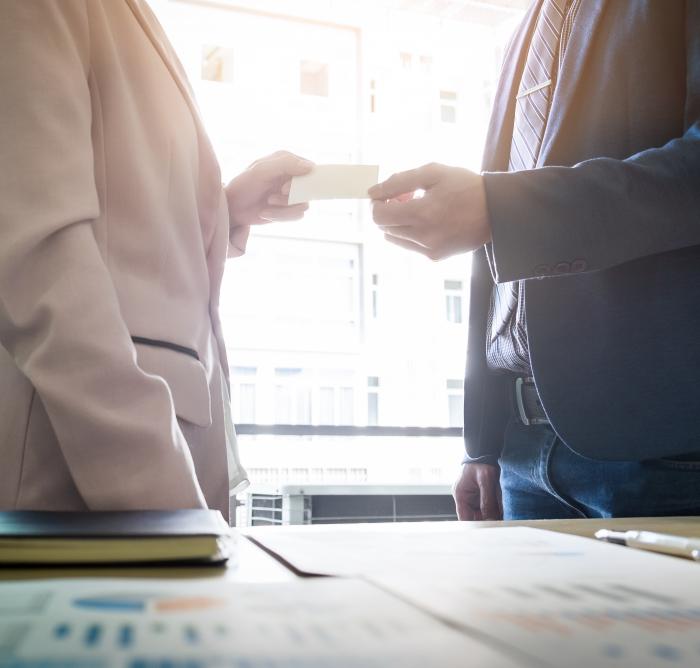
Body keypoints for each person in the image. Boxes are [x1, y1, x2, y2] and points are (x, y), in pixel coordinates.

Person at [369, 0, 700, 520]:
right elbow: (502, 246)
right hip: (518, 454)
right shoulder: (527, 26)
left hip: (660, 448)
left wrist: (499, 208)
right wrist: (483, 440)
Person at [0, 0, 312, 520]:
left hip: (156, 466)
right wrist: (164, 497)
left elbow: (118, 220)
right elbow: (38, 257)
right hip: (88, 475)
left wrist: (226, 208)